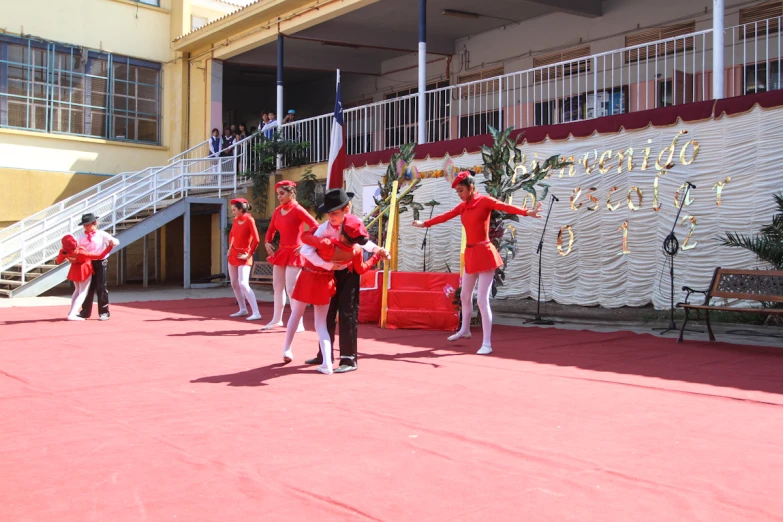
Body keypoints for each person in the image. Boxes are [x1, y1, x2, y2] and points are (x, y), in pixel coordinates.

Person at [412, 171, 542, 355]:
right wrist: (424, 224)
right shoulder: (463, 207)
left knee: (482, 300)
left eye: (461, 190)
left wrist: (527, 212)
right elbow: (445, 216)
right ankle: (464, 330)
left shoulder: (485, 201)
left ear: (471, 187)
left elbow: (505, 207)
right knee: (465, 296)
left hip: (485, 253)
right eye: (457, 191)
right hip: (472, 253)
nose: (459, 194)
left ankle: (487, 343)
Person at [301, 189, 389, 373]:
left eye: (335, 213)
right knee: (328, 313)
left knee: (348, 313)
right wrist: (328, 267)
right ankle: (324, 355)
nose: (331, 216)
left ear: (346, 209)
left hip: (349, 273)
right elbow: (307, 248)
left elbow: (363, 241)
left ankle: (349, 359)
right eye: (329, 213)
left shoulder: (353, 223)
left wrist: (377, 250)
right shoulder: (324, 228)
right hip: (330, 274)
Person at [280, 215, 382, 374]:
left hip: (308, 277)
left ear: (342, 234)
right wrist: (376, 255)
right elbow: (360, 268)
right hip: (326, 282)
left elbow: (305, 237)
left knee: (297, 314)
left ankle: (287, 349)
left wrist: (316, 228)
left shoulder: (328, 243)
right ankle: (327, 363)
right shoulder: (355, 251)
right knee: (320, 324)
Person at [262, 180, 318, 331]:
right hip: (282, 252)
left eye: (282, 193)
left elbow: (315, 226)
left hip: (295, 252)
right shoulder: (277, 211)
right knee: (277, 286)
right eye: (278, 194)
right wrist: (267, 242)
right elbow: (271, 229)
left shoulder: (298, 209)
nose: (279, 197)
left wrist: (305, 244)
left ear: (291, 193)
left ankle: (298, 322)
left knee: (292, 289)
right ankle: (276, 319)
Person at [57, 234, 114, 321]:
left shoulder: (63, 251)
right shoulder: (80, 252)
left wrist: (67, 258)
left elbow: (58, 261)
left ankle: (72, 311)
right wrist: (110, 247)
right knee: (82, 293)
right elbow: (100, 256)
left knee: (76, 291)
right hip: (84, 270)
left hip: (74, 270)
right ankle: (72, 314)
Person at [76, 213, 120, 320]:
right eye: (84, 225)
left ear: (94, 223)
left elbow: (116, 241)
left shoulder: (101, 234)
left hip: (101, 262)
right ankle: (85, 312)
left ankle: (104, 312)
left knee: (102, 287)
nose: (86, 227)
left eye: (88, 225)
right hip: (87, 263)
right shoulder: (81, 237)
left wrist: (112, 242)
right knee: (87, 288)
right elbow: (76, 248)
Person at [227, 198, 262, 321]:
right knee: (234, 284)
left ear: (241, 209)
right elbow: (231, 235)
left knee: (243, 283)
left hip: (244, 255)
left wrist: (249, 254)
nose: (233, 212)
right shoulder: (236, 220)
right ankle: (243, 309)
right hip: (233, 254)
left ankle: (256, 312)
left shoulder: (249, 220)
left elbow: (257, 239)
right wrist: (230, 247)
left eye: (234, 210)